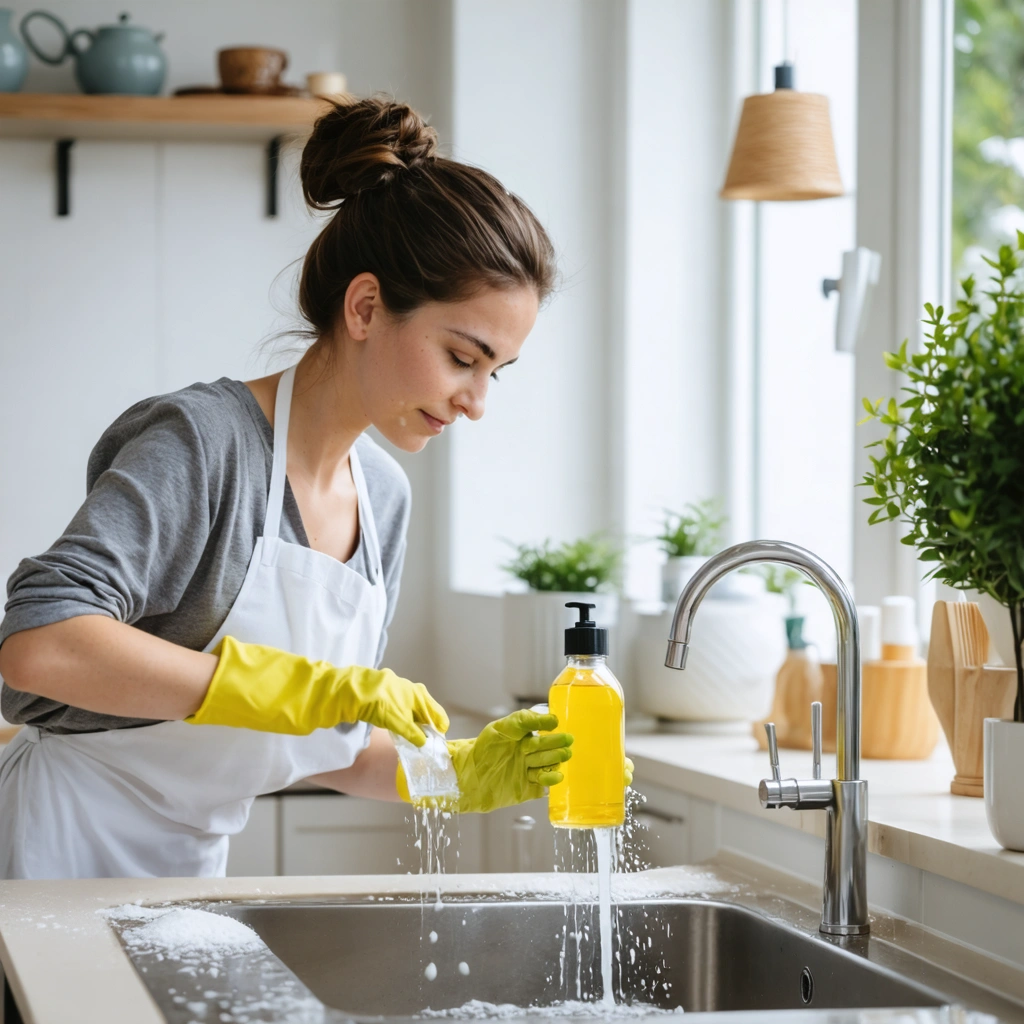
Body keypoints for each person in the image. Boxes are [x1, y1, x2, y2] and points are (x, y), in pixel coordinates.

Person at [0, 98, 630, 880]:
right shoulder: (207, 444)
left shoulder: (384, 499)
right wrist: (298, 686)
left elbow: (333, 747)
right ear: (365, 307)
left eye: (494, 372)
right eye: (462, 358)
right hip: (54, 852)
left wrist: (456, 773)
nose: (476, 402)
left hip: (187, 871)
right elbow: (38, 644)